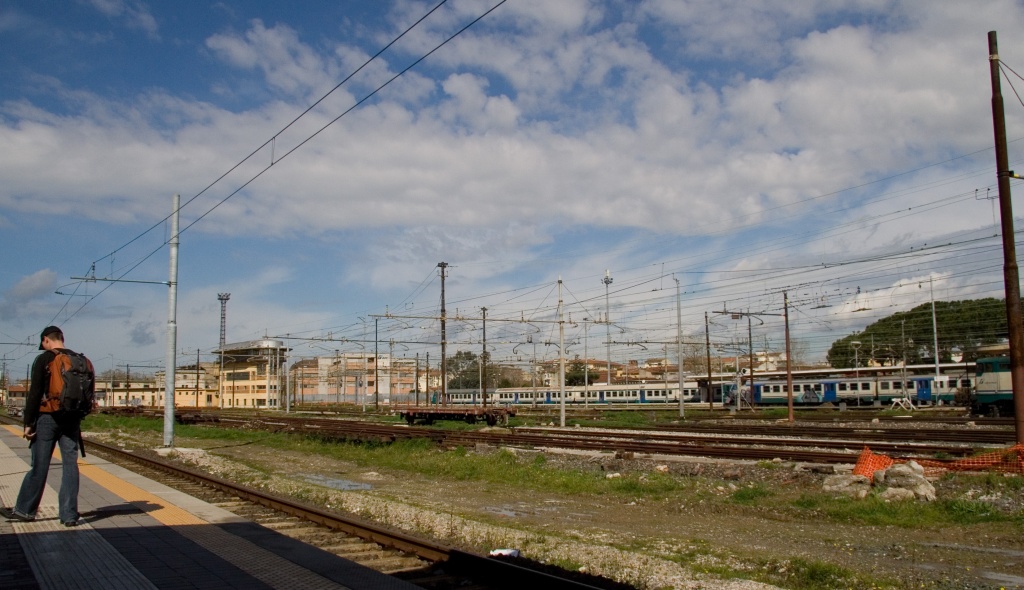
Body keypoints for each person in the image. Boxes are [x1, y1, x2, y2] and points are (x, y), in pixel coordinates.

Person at [1, 326, 92, 527]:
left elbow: (35, 393)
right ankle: (69, 515)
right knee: (70, 465)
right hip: (72, 420)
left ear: (45, 340)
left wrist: (28, 423)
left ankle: (25, 510)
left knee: (40, 466)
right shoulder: (80, 360)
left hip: (48, 419)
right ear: (62, 338)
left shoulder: (45, 359)